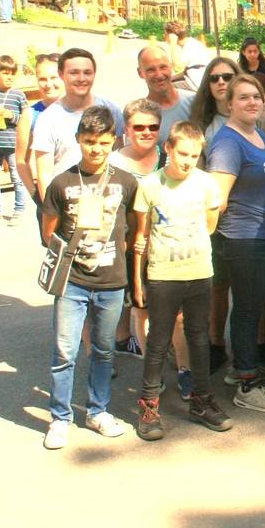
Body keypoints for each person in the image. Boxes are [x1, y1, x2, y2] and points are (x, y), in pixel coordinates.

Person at [40, 106, 138, 450]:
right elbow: (49, 232)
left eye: (103, 142)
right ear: (79, 140)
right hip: (72, 282)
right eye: (89, 141)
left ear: (114, 141)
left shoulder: (125, 182)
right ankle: (60, 417)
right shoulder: (62, 183)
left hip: (111, 281)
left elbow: (133, 231)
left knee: (104, 351)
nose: (96, 149)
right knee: (64, 352)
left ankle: (98, 410)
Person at [133, 122, 233, 440]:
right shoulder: (150, 185)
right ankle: (149, 406)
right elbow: (142, 235)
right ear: (168, 149)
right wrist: (138, 280)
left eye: (194, 155)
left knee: (199, 338)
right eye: (182, 154)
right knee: (159, 342)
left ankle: (202, 400)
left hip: (199, 271)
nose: (187, 161)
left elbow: (210, 225)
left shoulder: (206, 185)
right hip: (163, 275)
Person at [207, 74, 265, 413]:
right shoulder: (228, 143)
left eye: (256, 96)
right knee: (247, 310)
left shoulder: (255, 132)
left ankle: (244, 365)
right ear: (229, 104)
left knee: (251, 306)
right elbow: (216, 199)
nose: (252, 102)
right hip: (244, 238)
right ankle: (246, 384)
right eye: (243, 98)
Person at [108, 99, 167, 362]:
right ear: (127, 129)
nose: (146, 132)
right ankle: (147, 358)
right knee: (138, 303)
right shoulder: (112, 163)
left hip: (167, 244)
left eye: (153, 127)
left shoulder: (169, 159)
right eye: (139, 127)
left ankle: (168, 350)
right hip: (129, 243)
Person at [30, 48, 124, 199]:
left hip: (106, 201)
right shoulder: (47, 119)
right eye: (74, 73)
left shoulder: (111, 110)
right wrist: (51, 213)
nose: (81, 78)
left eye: (87, 72)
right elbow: (44, 174)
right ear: (61, 74)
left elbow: (119, 156)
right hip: (66, 204)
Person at [15, 53, 64, 236]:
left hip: (82, 193)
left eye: (53, 77)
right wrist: (37, 196)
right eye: (42, 79)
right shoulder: (31, 114)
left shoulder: (80, 109)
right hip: (49, 196)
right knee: (56, 254)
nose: (48, 84)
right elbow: (21, 161)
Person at [0, 54, 29, 225]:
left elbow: (26, 118)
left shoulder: (18, 95)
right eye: (5, 73)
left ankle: (19, 209)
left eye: (12, 73)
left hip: (13, 144)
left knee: (17, 177)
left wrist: (12, 115)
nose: (9, 77)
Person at [190, 56, 265, 146]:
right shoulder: (201, 122)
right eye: (214, 78)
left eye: (227, 77)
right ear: (208, 84)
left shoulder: (260, 120)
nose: (221, 82)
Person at [136, 45, 194, 143]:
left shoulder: (194, 102)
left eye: (163, 67)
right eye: (151, 70)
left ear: (171, 67)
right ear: (140, 73)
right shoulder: (138, 115)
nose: (158, 75)